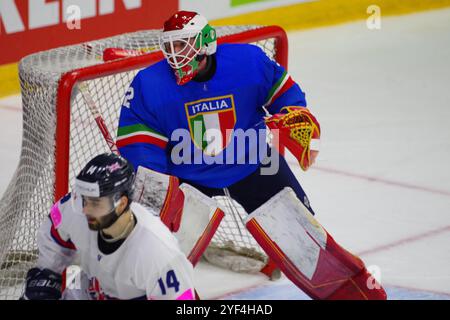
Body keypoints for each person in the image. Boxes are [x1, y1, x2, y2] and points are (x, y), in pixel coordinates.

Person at [117, 10, 386, 300]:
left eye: (182, 45)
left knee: (302, 240)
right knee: (159, 246)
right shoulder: (149, 83)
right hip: (188, 173)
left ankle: (353, 295)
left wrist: (291, 113)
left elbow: (285, 93)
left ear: (205, 43)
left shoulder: (248, 62)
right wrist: (160, 182)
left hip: (255, 163)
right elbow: (139, 139)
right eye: (169, 46)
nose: (174, 54)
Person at [21, 153, 195, 300]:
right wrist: (47, 271)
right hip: (88, 292)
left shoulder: (158, 252)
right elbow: (55, 228)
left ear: (121, 203)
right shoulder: (79, 213)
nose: (85, 209)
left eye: (95, 203)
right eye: (84, 199)